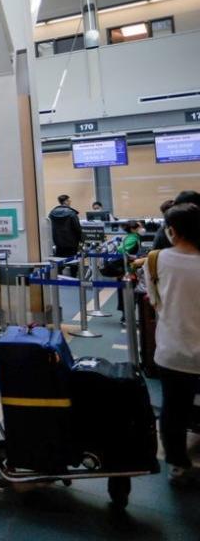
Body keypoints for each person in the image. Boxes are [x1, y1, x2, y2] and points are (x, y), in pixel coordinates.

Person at [143, 202, 200, 486]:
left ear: (172, 231)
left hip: (172, 350)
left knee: (173, 410)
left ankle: (177, 463)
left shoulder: (156, 260)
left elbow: (155, 302)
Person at [49, 194, 83, 263]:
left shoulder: (52, 213)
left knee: (59, 262)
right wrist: (81, 239)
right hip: (72, 243)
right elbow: (77, 228)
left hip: (58, 242)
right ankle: (73, 274)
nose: (70, 202)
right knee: (73, 262)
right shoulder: (71, 213)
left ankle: (59, 273)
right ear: (65, 202)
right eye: (69, 200)